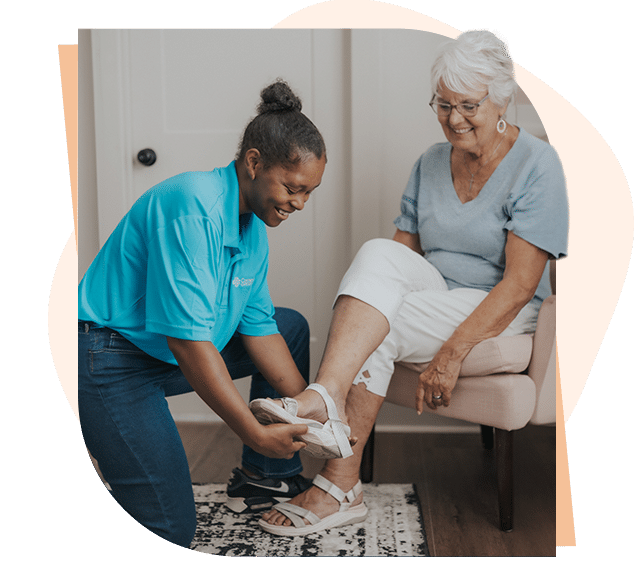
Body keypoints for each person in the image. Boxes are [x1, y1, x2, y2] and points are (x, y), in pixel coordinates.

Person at [252, 30, 569, 536]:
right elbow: (400, 256)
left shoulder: (537, 165)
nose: (453, 118)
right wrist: (376, 294)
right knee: (378, 251)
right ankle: (327, 399)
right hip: (438, 290)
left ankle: (339, 483)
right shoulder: (429, 162)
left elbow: (517, 285)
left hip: (502, 306)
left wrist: (450, 355)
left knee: (385, 322)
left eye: (468, 105)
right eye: (442, 104)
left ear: (502, 98)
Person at [78, 80, 327, 548]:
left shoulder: (251, 228)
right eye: (293, 188)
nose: (299, 203)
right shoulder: (193, 207)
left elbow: (261, 329)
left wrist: (320, 413)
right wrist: (252, 431)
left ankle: (265, 479)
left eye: (309, 193)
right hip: (106, 360)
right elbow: (189, 344)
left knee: (290, 325)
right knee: (170, 530)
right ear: (254, 162)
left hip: (160, 355)